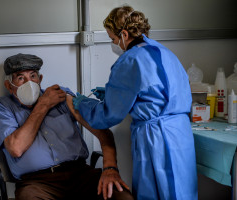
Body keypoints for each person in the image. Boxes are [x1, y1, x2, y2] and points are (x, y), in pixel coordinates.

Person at [70, 5, 198, 200]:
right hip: (180, 134)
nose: (114, 44)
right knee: (183, 192)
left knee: (157, 192)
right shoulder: (163, 51)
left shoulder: (129, 60)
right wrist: (112, 94)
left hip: (157, 138)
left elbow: (108, 115)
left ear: (123, 34)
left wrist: (84, 104)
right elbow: (159, 93)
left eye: (113, 39)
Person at [0, 53, 133, 200]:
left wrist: (110, 168)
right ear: (9, 86)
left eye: (33, 76)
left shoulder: (60, 95)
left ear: (40, 80)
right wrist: (43, 105)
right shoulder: (3, 107)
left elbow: (103, 132)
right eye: (21, 78)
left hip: (80, 175)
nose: (29, 83)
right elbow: (16, 148)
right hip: (37, 184)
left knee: (122, 197)